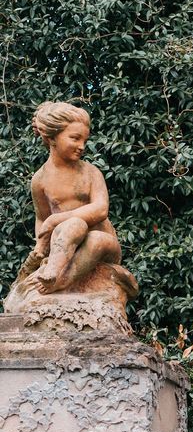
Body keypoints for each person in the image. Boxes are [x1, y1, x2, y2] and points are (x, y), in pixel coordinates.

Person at [26, 100, 122, 294]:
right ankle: (51, 273)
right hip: (65, 247)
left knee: (86, 232)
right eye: (75, 138)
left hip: (103, 243)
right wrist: (40, 246)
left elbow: (101, 209)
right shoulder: (40, 180)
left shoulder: (90, 172)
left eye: (84, 141)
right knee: (73, 225)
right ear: (52, 138)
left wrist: (56, 219)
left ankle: (58, 279)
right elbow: (42, 219)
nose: (81, 146)